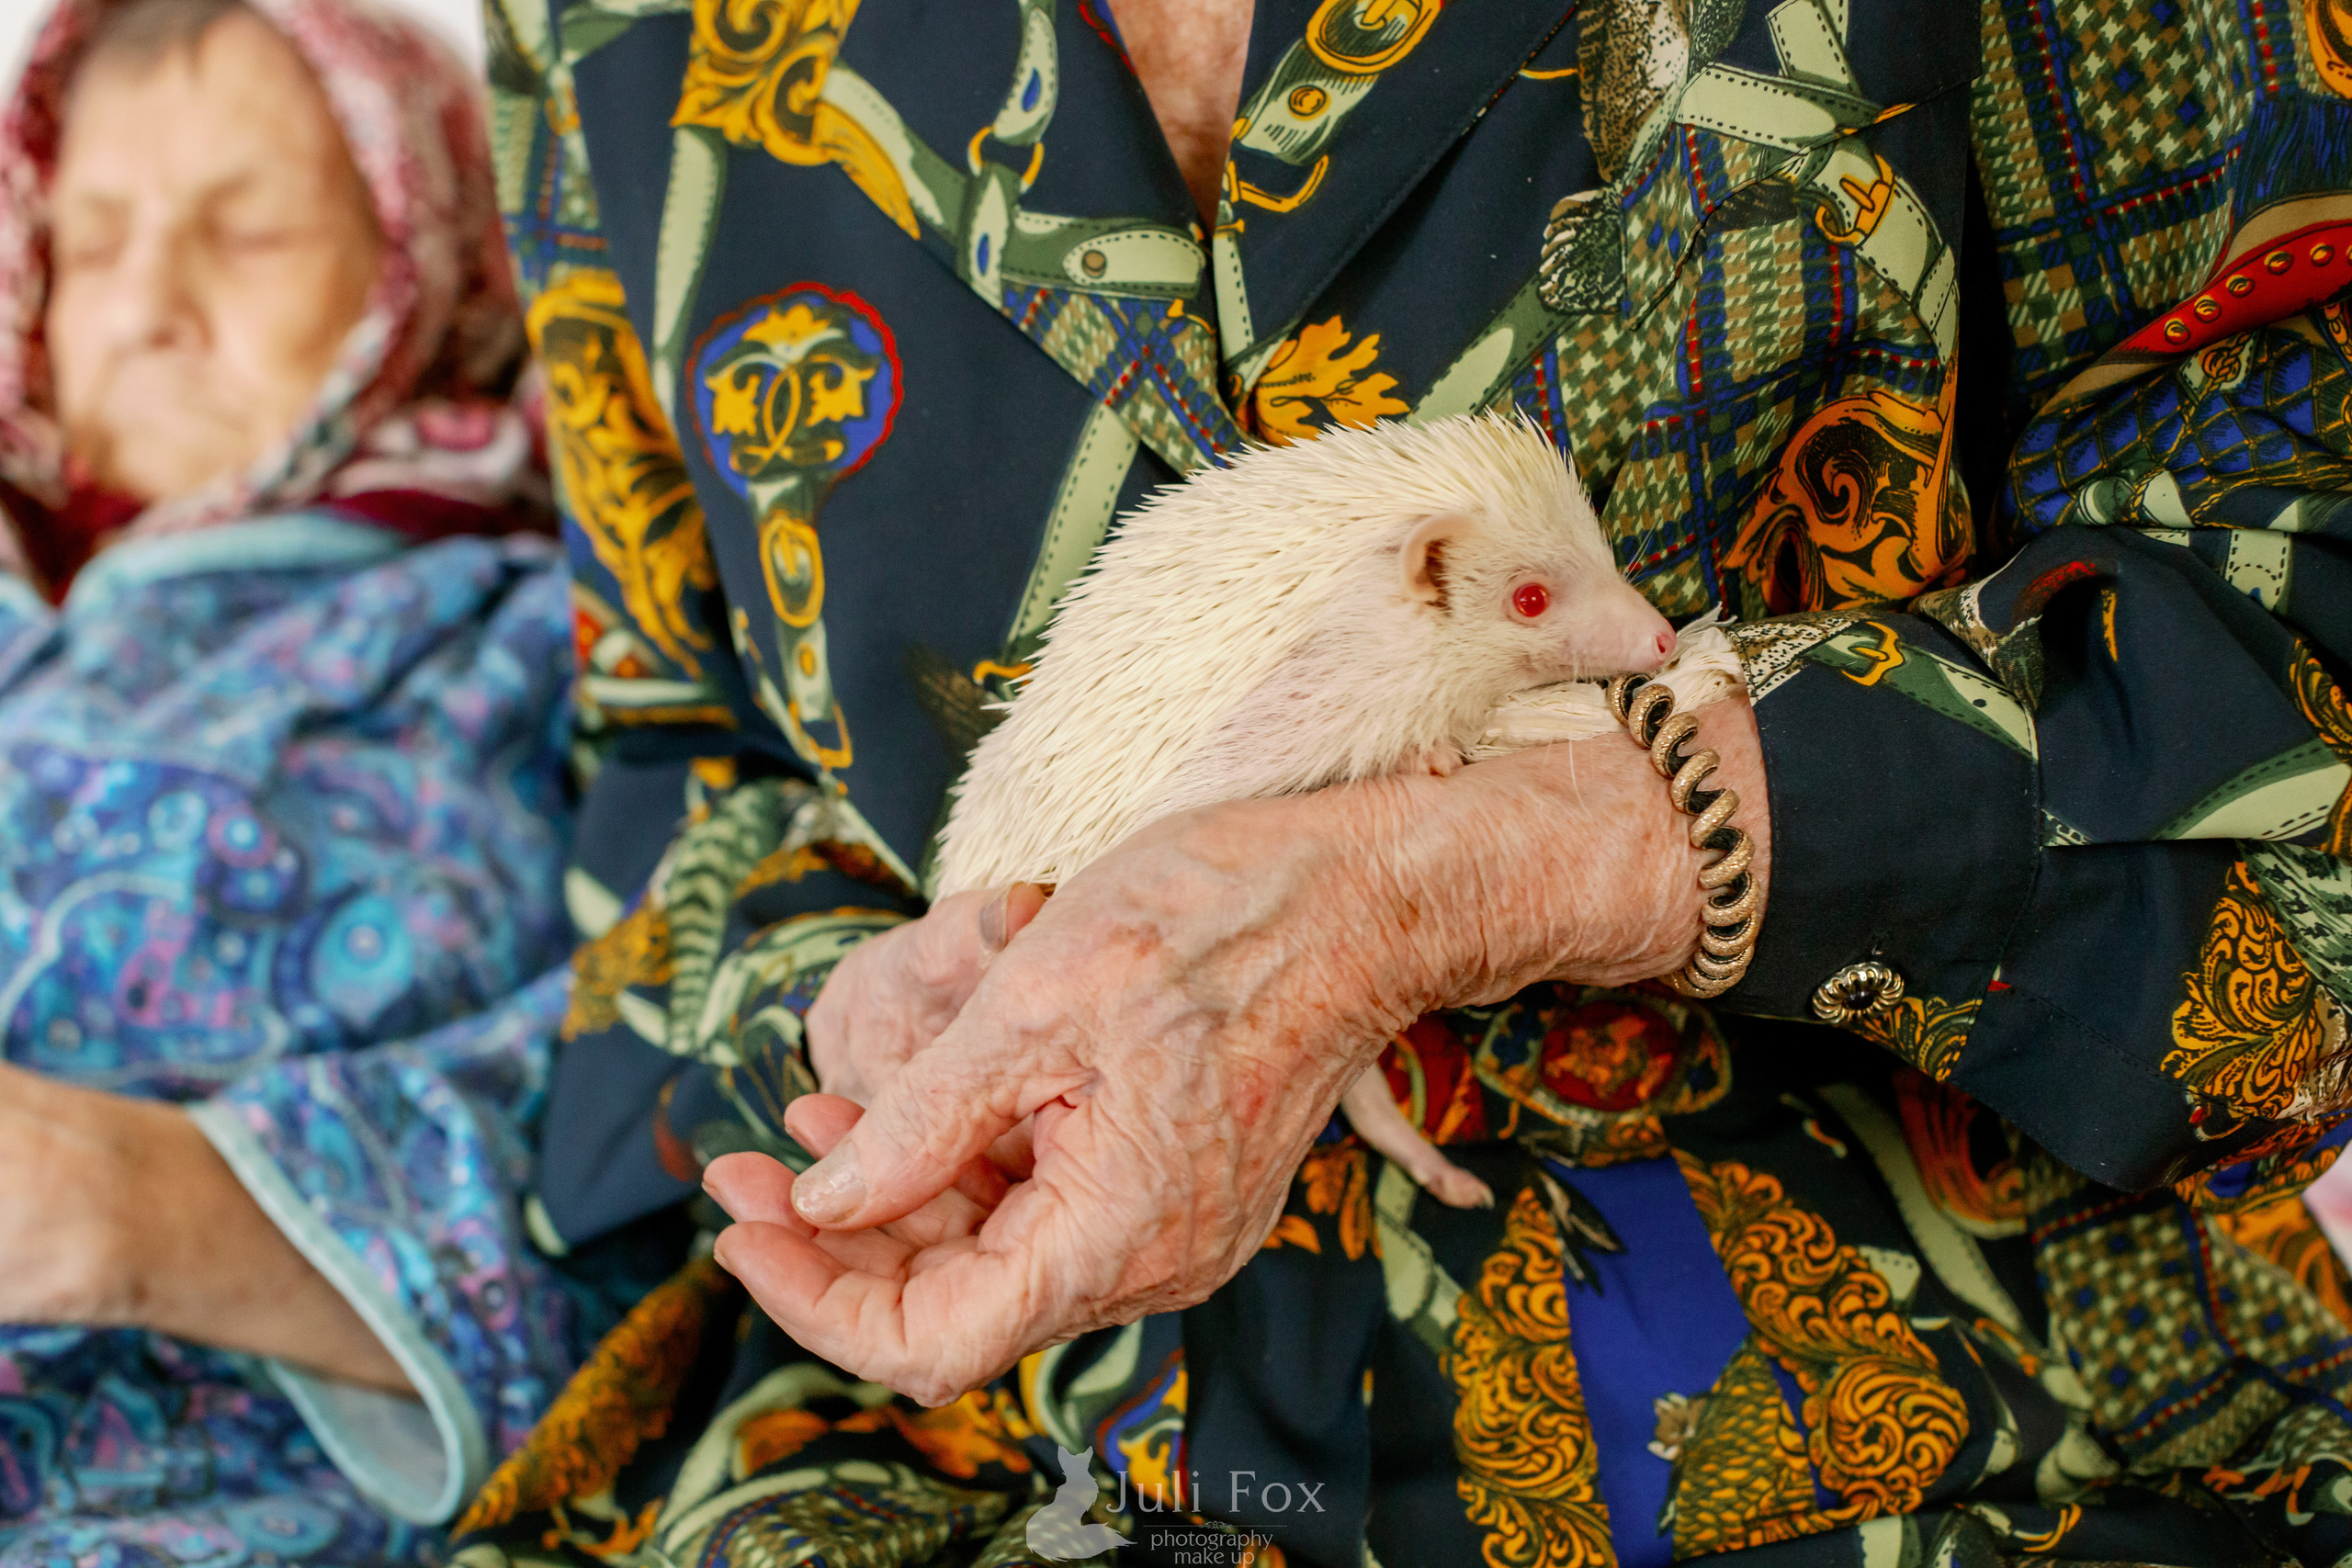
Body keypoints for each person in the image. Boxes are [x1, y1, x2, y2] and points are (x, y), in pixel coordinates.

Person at [456, 0, 2352, 1562]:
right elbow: (674, 752)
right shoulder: (606, 38)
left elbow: (2306, 666)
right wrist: (867, 1034)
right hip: (1021, 1446)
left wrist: (1510, 854)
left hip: (1973, 1413)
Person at [0, 0, 586, 1560]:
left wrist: (129, 1204)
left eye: (244, 231)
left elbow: (649, 1136)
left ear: (429, 253)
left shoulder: (535, 637)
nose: (148, 305)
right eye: (94, 237)